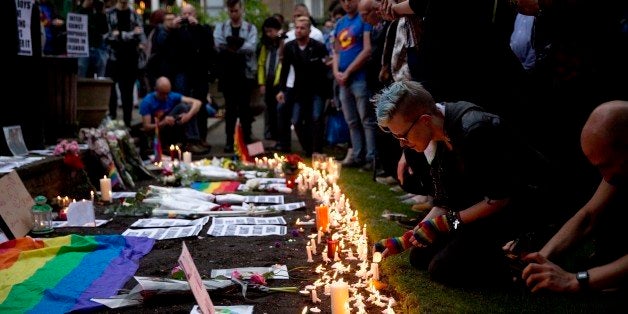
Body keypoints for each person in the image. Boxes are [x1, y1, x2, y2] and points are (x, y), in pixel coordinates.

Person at [372, 80, 551, 287]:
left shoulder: (474, 130)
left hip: (519, 207)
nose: (402, 144)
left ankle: (516, 263)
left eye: (403, 135)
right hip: (474, 211)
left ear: (425, 120)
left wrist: (445, 224)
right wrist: (407, 238)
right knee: (419, 256)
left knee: (442, 268)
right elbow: (444, 203)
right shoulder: (435, 139)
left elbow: (500, 199)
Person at [504, 101, 628, 293]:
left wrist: (574, 281)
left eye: (606, 165)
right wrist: (539, 260)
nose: (606, 177)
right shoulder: (619, 167)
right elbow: (589, 216)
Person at [276, 16, 329, 156]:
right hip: (298, 89)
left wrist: (329, 94)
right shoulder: (290, 47)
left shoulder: (319, 47)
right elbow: (285, 69)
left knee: (317, 118)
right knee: (297, 121)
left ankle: (317, 150)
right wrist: (281, 90)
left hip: (317, 89)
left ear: (309, 30)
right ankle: (308, 148)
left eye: (302, 28)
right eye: (297, 28)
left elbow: (326, 70)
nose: (298, 31)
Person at [213, 0, 258, 153]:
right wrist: (237, 46)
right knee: (230, 109)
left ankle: (246, 139)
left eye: (236, 10)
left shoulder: (250, 28)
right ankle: (228, 140)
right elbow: (218, 44)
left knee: (245, 109)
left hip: (245, 74)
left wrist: (231, 47)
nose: (233, 14)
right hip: (228, 75)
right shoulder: (222, 27)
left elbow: (251, 47)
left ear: (242, 9)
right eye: (231, 11)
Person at [139, 76, 208, 154]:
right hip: (159, 131)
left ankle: (193, 141)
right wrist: (163, 123)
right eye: (162, 94)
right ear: (156, 90)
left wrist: (188, 115)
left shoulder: (171, 96)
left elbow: (197, 103)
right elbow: (146, 127)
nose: (165, 97)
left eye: (167, 94)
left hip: (172, 126)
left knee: (188, 107)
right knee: (182, 107)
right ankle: (190, 142)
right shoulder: (147, 102)